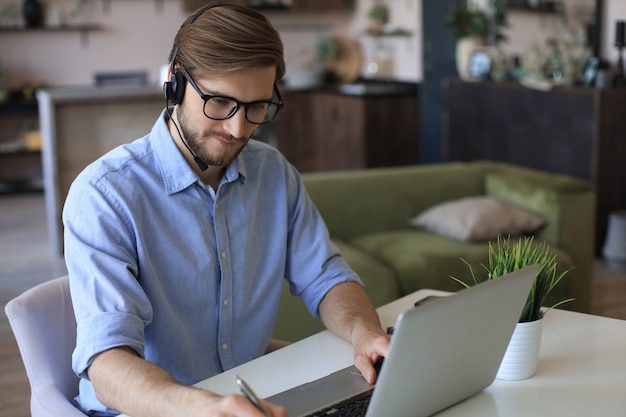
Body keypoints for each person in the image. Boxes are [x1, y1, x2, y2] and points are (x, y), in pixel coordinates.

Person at [63, 3, 390, 417]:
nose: (239, 130)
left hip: (250, 397)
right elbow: (107, 365)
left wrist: (366, 334)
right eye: (220, 103)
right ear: (175, 82)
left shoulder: (273, 173)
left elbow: (327, 277)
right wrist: (204, 407)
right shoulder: (105, 195)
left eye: (257, 107)